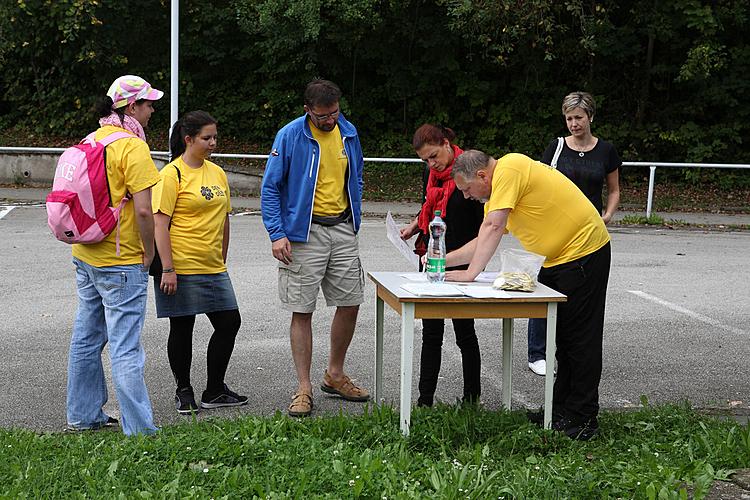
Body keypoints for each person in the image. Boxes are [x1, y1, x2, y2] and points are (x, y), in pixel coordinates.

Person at [445, 149, 611, 441]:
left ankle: (584, 418)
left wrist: (470, 274)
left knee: (580, 341)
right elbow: (486, 235)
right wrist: (442, 261)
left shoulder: (510, 168)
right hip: (558, 260)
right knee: (563, 341)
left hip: (584, 253)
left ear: (482, 175)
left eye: (467, 189)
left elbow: (493, 226)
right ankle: (561, 410)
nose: (468, 196)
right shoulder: (501, 192)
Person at [261, 79, 369, 417]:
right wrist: (277, 234)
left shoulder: (348, 132)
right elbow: (270, 188)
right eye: (323, 116)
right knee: (302, 309)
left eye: (334, 113)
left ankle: (334, 374)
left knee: (351, 302)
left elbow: (358, 175)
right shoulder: (290, 135)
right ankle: (304, 386)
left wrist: (355, 215)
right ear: (308, 110)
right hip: (302, 235)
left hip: (342, 228)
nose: (330, 120)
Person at [66, 75, 162, 436]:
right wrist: (149, 253)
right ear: (131, 107)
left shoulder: (92, 140)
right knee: (126, 347)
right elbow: (143, 210)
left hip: (85, 252)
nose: (152, 110)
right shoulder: (132, 147)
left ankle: (82, 415)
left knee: (86, 337)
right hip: (121, 260)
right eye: (148, 104)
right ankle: (139, 429)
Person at [152, 111, 246, 414]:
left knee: (230, 322)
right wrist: (167, 268)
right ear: (188, 139)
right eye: (207, 138)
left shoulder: (217, 173)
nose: (213, 143)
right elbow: (159, 224)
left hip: (212, 265)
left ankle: (215, 390)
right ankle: (184, 391)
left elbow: (225, 218)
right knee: (182, 327)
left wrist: (222, 256)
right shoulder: (172, 174)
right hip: (180, 265)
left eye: (215, 137)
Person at [527, 91, 621, 377]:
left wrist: (607, 215)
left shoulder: (606, 151)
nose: (573, 123)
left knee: (579, 294)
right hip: (554, 228)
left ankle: (568, 353)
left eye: (578, 117)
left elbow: (614, 190)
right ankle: (538, 352)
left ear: (590, 117)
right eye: (568, 118)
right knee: (543, 286)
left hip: (586, 234)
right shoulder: (555, 148)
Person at [399, 124, 484, 407]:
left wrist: (471, 263)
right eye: (425, 160)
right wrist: (414, 227)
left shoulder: (470, 172)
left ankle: (472, 398)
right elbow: (428, 206)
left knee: (465, 333)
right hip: (431, 257)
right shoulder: (430, 174)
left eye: (434, 156)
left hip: (461, 261)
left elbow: (485, 225)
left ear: (447, 144)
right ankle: (425, 401)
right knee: (431, 333)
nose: (431, 164)